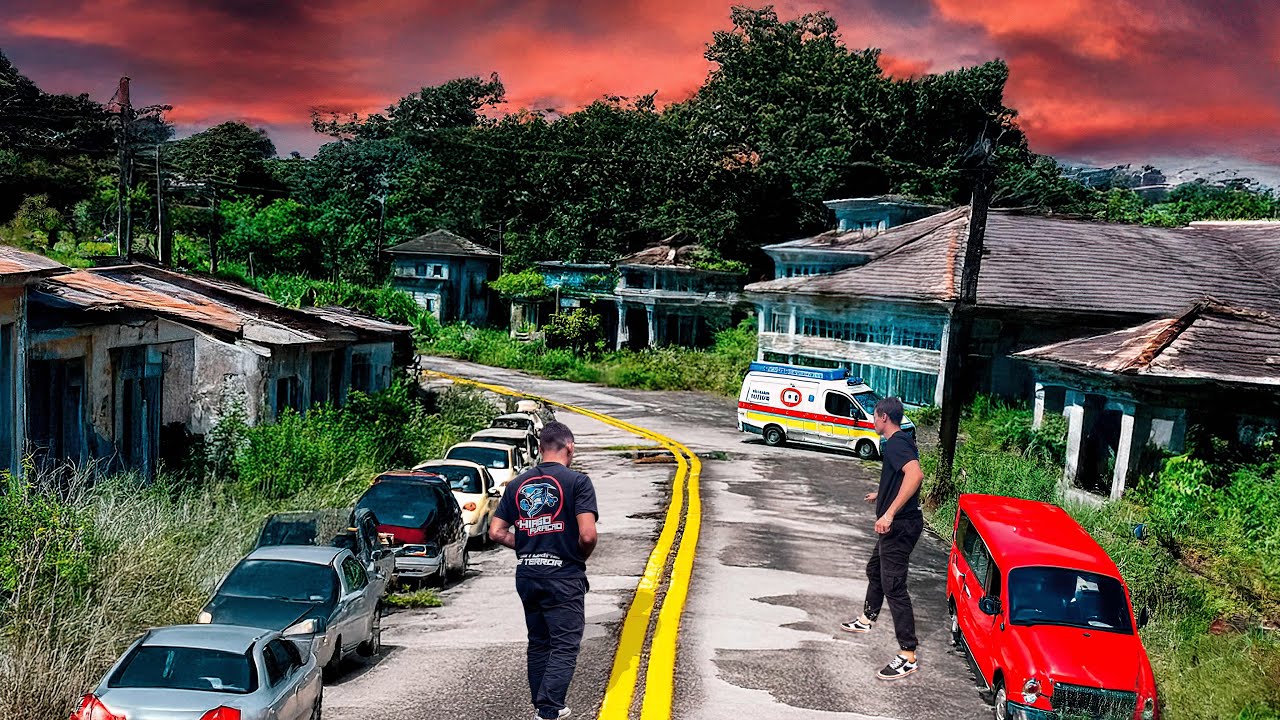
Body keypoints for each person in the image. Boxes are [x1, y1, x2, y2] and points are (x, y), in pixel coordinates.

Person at [490, 421, 599, 720]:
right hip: (563, 576)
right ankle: (549, 710)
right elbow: (588, 535)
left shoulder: (516, 485)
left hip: (527, 574)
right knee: (564, 645)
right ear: (570, 447)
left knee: (539, 643)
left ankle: (543, 706)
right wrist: (575, 556)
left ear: (540, 449)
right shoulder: (578, 482)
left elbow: (496, 532)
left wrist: (528, 545)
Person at [840, 397, 925, 680]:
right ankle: (867, 619)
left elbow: (915, 475)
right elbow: (901, 479)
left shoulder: (897, 443)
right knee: (874, 570)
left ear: (884, 417)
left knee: (894, 586)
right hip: (901, 522)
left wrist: (888, 514)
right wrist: (883, 495)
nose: (872, 421)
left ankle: (908, 655)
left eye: (874, 416)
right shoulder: (902, 440)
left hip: (898, 527)